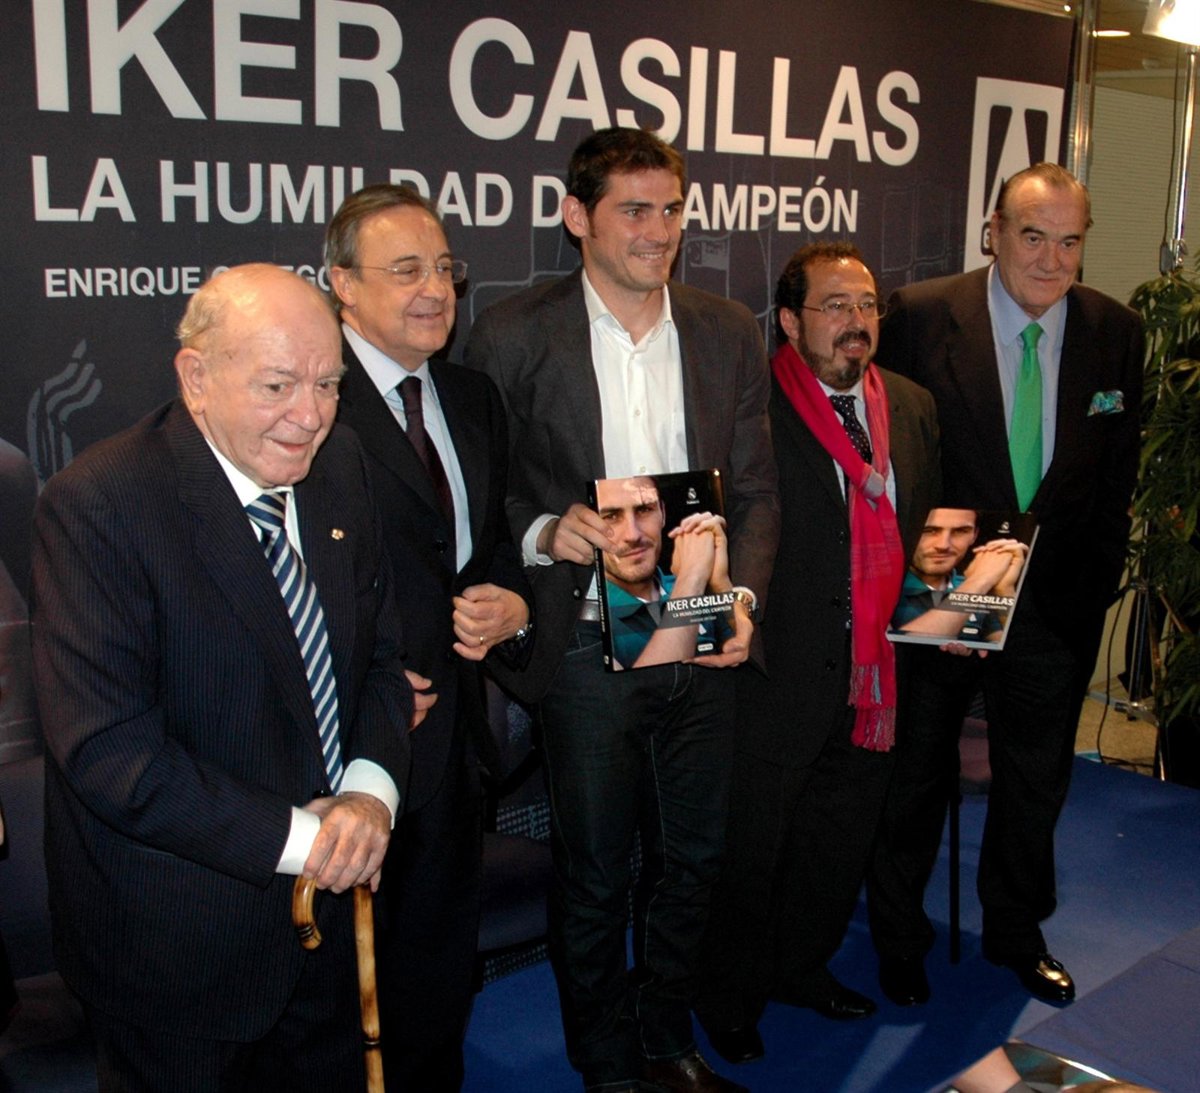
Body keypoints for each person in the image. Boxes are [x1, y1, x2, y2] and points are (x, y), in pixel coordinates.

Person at [31, 264, 422, 1092]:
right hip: (179, 951)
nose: (310, 415)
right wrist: (314, 842)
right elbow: (110, 754)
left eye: (328, 383)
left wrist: (367, 798)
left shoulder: (341, 465)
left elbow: (380, 665)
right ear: (197, 376)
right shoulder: (100, 503)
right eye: (278, 385)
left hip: (330, 923)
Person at [465, 126, 779, 1093]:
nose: (659, 231)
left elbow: (757, 490)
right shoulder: (512, 333)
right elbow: (477, 493)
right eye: (634, 210)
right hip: (583, 641)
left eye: (671, 209)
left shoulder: (727, 328)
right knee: (597, 871)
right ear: (578, 217)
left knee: (694, 860)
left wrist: (744, 598)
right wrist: (540, 530)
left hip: (702, 626)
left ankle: (665, 1038)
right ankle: (606, 1065)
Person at [867, 162, 1145, 1007]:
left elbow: (1116, 476)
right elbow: (886, 459)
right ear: (993, 232)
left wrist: (1091, 590)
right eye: (1033, 237)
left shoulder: (1115, 330)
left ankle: (1016, 933)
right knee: (916, 773)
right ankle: (898, 936)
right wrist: (920, 589)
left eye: (1069, 241)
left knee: (1035, 780)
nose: (1052, 260)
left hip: (1055, 603)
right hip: (942, 591)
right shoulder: (920, 316)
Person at [695, 242, 940, 1066]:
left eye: (866, 305)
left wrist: (951, 613)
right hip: (777, 674)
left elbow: (927, 532)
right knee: (752, 853)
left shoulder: (910, 406)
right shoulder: (752, 405)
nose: (856, 321)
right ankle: (728, 997)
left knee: (836, 847)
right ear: (791, 323)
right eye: (834, 306)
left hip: (875, 680)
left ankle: (801, 968)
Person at [325, 183, 533, 1090]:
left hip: (455, 741)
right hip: (347, 749)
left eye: (445, 269)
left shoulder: (472, 395)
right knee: (341, 991)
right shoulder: (309, 399)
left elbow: (495, 540)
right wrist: (356, 686)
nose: (435, 290)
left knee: (438, 968)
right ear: (343, 285)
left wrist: (514, 604)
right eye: (406, 269)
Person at [594, 474, 730, 669]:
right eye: (611, 517)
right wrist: (692, 576)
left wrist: (721, 584)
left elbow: (746, 661)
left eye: (644, 510)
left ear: (663, 513)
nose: (633, 535)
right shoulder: (590, 615)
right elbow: (643, 685)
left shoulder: (697, 586)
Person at [892, 508, 1028, 643]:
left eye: (960, 531)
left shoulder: (979, 587)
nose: (943, 545)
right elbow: (899, 649)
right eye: (929, 530)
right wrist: (979, 580)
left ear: (974, 535)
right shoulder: (887, 589)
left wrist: (1005, 590)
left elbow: (1019, 648)